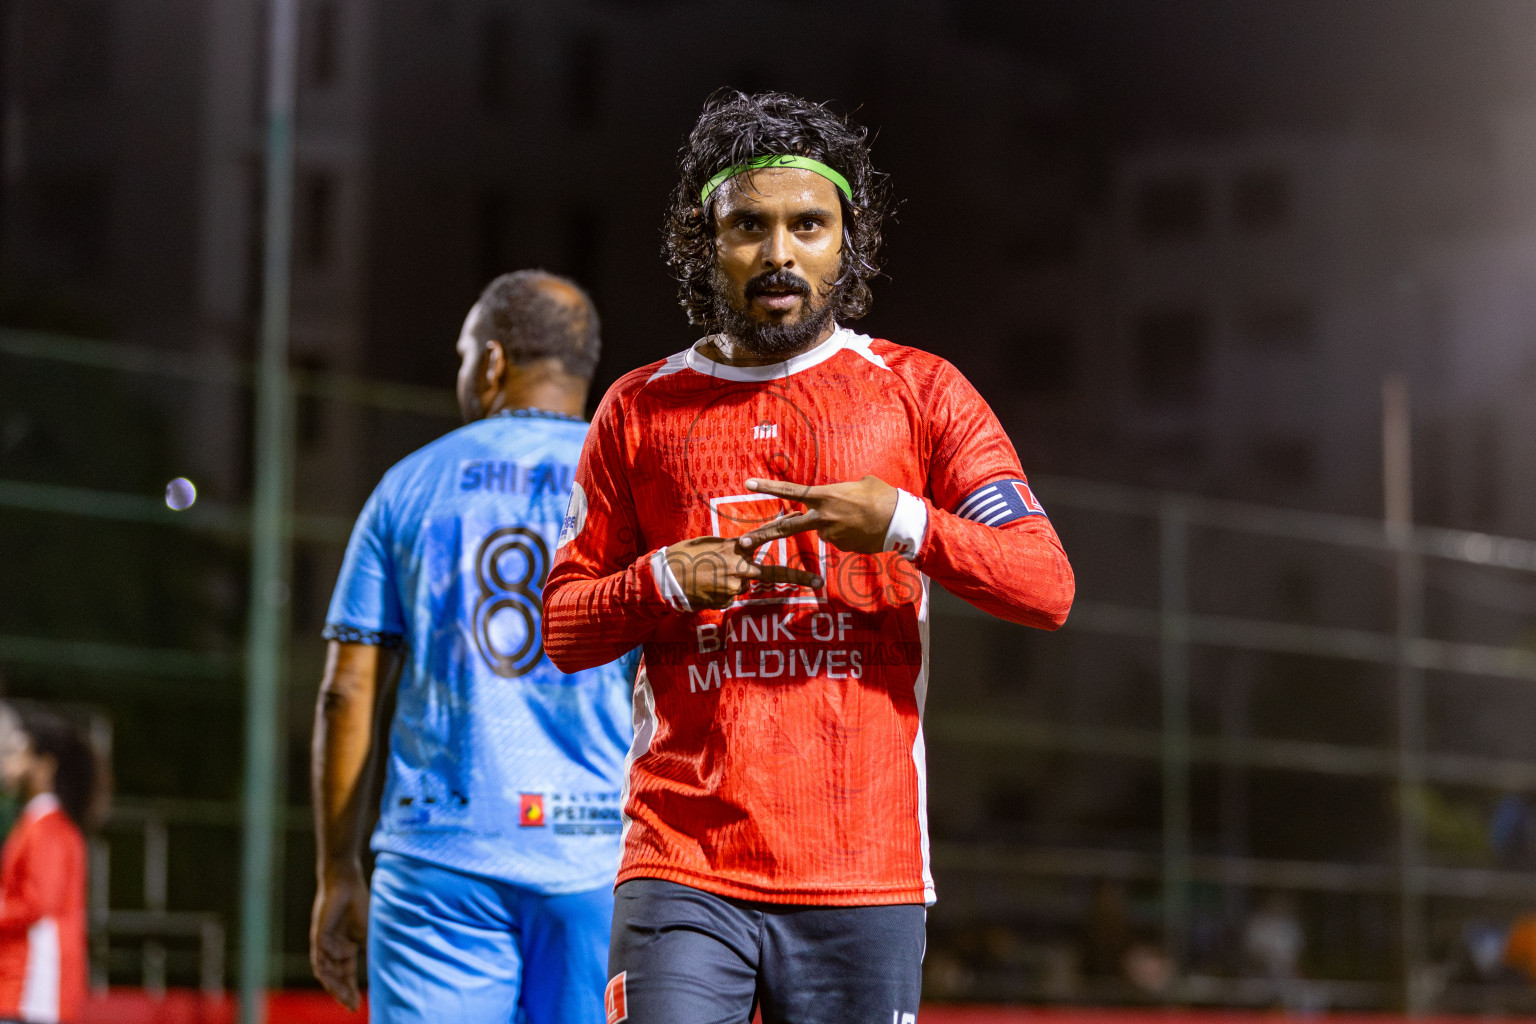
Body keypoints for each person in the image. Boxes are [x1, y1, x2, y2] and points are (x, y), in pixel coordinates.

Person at [542, 91, 1075, 1024]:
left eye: (807, 224)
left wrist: (906, 524)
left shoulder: (920, 393)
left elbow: (1046, 585)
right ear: (704, 241)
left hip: (860, 874)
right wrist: (668, 577)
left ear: (846, 241)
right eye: (749, 225)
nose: (778, 252)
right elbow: (563, 627)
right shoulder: (638, 408)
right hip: (681, 863)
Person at [310, 271, 635, 1024]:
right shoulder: (634, 484)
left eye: (463, 357)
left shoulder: (410, 485)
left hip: (439, 853)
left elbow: (346, 691)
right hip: (601, 859)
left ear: (492, 362)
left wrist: (337, 869)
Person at [0, 706, 98, 1024]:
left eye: (20, 752)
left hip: (34, 991)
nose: (10, 762)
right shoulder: (35, 825)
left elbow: (36, 901)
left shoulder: (49, 829)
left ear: (44, 767)